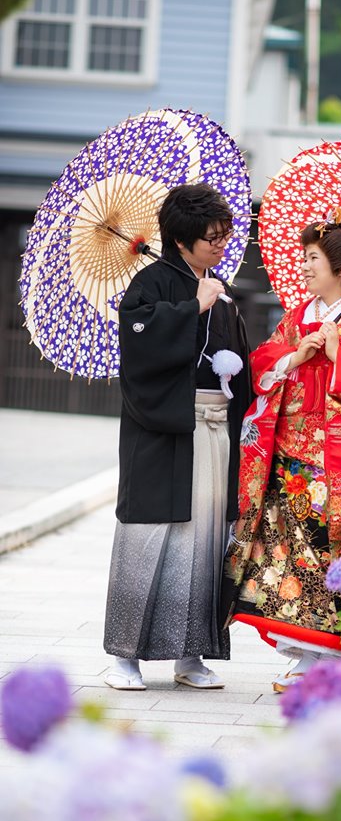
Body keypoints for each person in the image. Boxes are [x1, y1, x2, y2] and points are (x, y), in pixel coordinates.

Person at [222, 206, 341, 691]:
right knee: (288, 554)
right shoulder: (299, 316)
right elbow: (262, 361)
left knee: (331, 553)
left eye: (311, 259)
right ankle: (306, 658)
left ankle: (330, 659)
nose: (303, 266)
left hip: (338, 463)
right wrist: (294, 355)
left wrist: (337, 356)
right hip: (290, 456)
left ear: (340, 269)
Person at [103, 183, 252, 690]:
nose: (221, 245)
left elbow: (237, 371)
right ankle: (125, 656)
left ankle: (191, 655)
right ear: (181, 242)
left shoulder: (217, 287)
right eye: (211, 237)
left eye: (224, 235)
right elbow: (139, 353)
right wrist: (193, 309)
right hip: (163, 428)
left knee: (207, 539)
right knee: (148, 537)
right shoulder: (151, 284)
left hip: (213, 430)